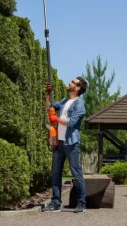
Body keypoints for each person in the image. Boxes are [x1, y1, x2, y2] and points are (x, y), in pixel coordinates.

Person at [42, 77, 88, 213]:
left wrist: (56, 118)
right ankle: (55, 203)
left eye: (73, 82)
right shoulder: (64, 101)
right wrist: (48, 95)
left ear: (78, 88)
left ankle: (81, 203)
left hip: (71, 143)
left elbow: (72, 122)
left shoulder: (79, 104)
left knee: (76, 173)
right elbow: (48, 108)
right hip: (58, 142)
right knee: (55, 173)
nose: (70, 83)